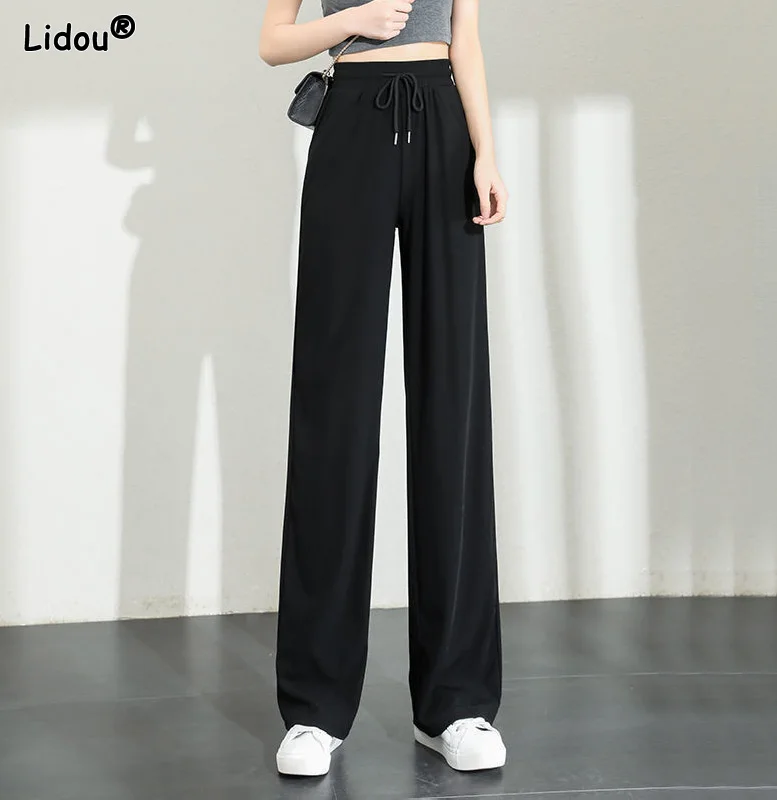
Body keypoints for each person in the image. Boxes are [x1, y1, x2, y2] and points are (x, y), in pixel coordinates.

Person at [258, 0, 509, 777]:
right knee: (333, 407)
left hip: (443, 126)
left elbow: (465, 40)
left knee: (451, 405)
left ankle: (455, 703)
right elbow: (273, 43)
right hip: (352, 129)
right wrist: (355, 19)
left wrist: (486, 152)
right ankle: (314, 710)